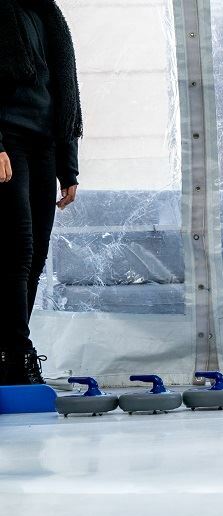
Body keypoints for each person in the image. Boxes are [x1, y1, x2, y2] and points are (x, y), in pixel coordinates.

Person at [0, 0, 82, 385]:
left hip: (44, 143)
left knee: (36, 255)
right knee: (18, 249)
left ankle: (8, 351)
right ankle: (17, 354)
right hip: (9, 138)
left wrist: (69, 169)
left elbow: (65, 92)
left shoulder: (50, 15)